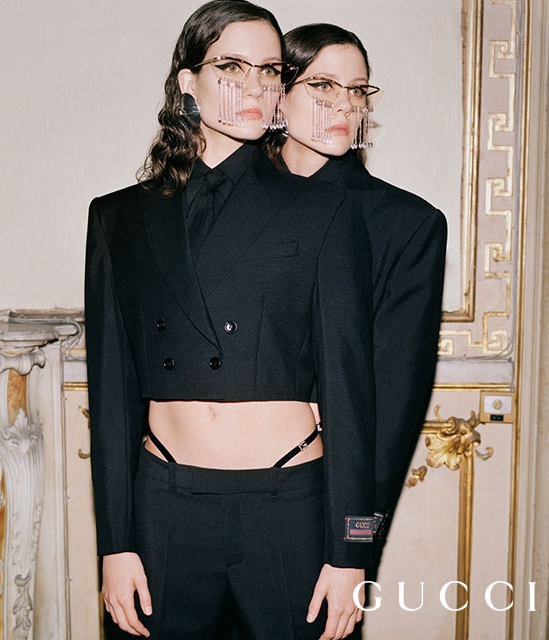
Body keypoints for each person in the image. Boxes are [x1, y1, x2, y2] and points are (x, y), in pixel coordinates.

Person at [85, 3, 376, 639]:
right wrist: (114, 543)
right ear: (187, 82)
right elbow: (109, 397)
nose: (254, 85)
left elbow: (352, 400)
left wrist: (354, 551)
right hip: (164, 505)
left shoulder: (325, 212)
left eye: (269, 70)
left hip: (289, 506)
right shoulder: (118, 218)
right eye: (231, 66)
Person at [268, 23, 447, 566]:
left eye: (358, 89)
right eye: (323, 85)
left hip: (323, 509)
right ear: (278, 94)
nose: (345, 104)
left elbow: (391, 412)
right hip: (200, 505)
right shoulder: (224, 207)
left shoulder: (406, 225)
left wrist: (356, 545)